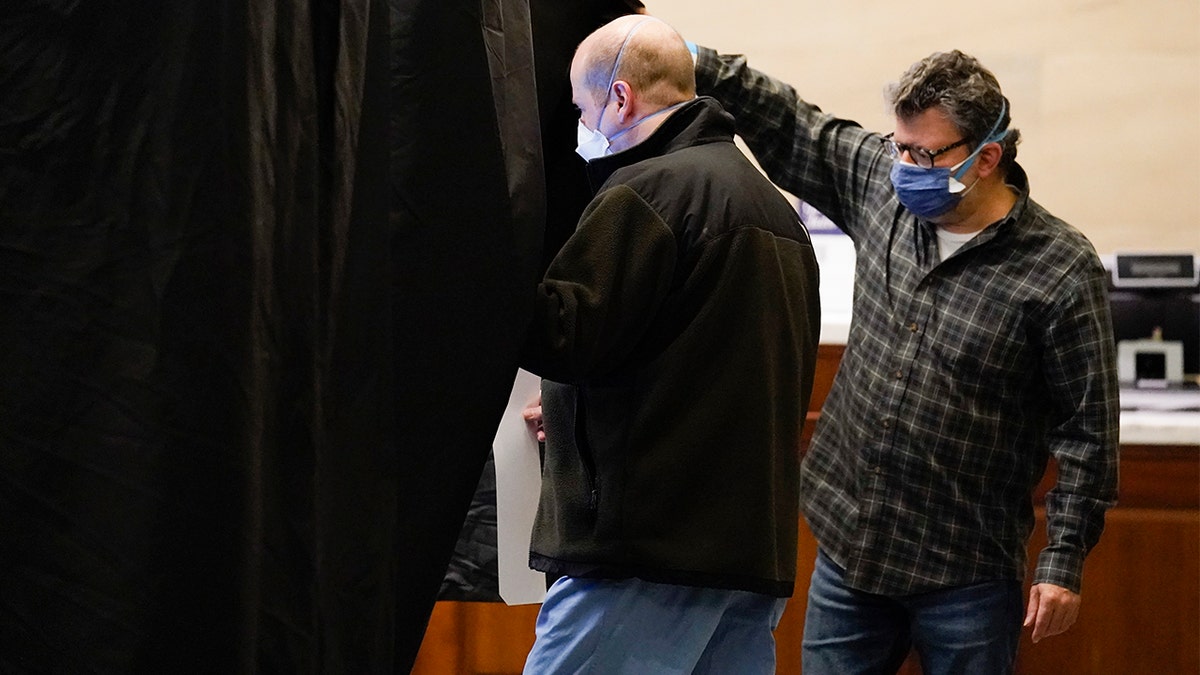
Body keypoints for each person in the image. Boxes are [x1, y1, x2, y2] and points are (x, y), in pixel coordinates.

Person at [686, 42, 1119, 675]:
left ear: (987, 156)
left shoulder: (1060, 268)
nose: (907, 166)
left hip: (966, 571)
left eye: (926, 153)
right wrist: (684, 52)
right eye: (901, 147)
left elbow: (1088, 431)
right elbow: (786, 119)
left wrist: (1063, 562)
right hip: (849, 549)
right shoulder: (880, 188)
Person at [518, 15, 821, 674]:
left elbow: (562, 333)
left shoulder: (647, 192)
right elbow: (700, 365)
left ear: (619, 99)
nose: (578, 124)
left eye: (580, 107)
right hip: (750, 551)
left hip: (646, 552)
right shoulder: (775, 211)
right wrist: (575, 407)